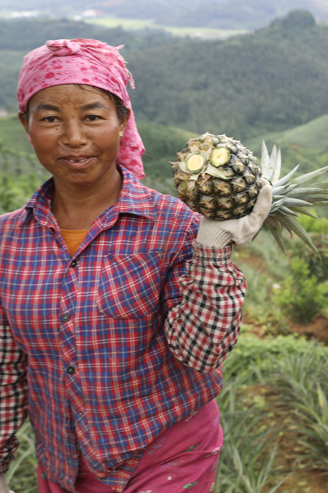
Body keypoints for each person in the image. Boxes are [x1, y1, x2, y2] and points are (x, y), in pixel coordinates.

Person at [0, 38, 272, 493]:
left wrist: (211, 247)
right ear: (26, 125)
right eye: (50, 118)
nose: (73, 137)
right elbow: (6, 368)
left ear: (123, 121)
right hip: (63, 465)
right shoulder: (7, 241)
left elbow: (201, 354)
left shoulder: (173, 226)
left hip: (165, 457)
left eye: (92, 116)